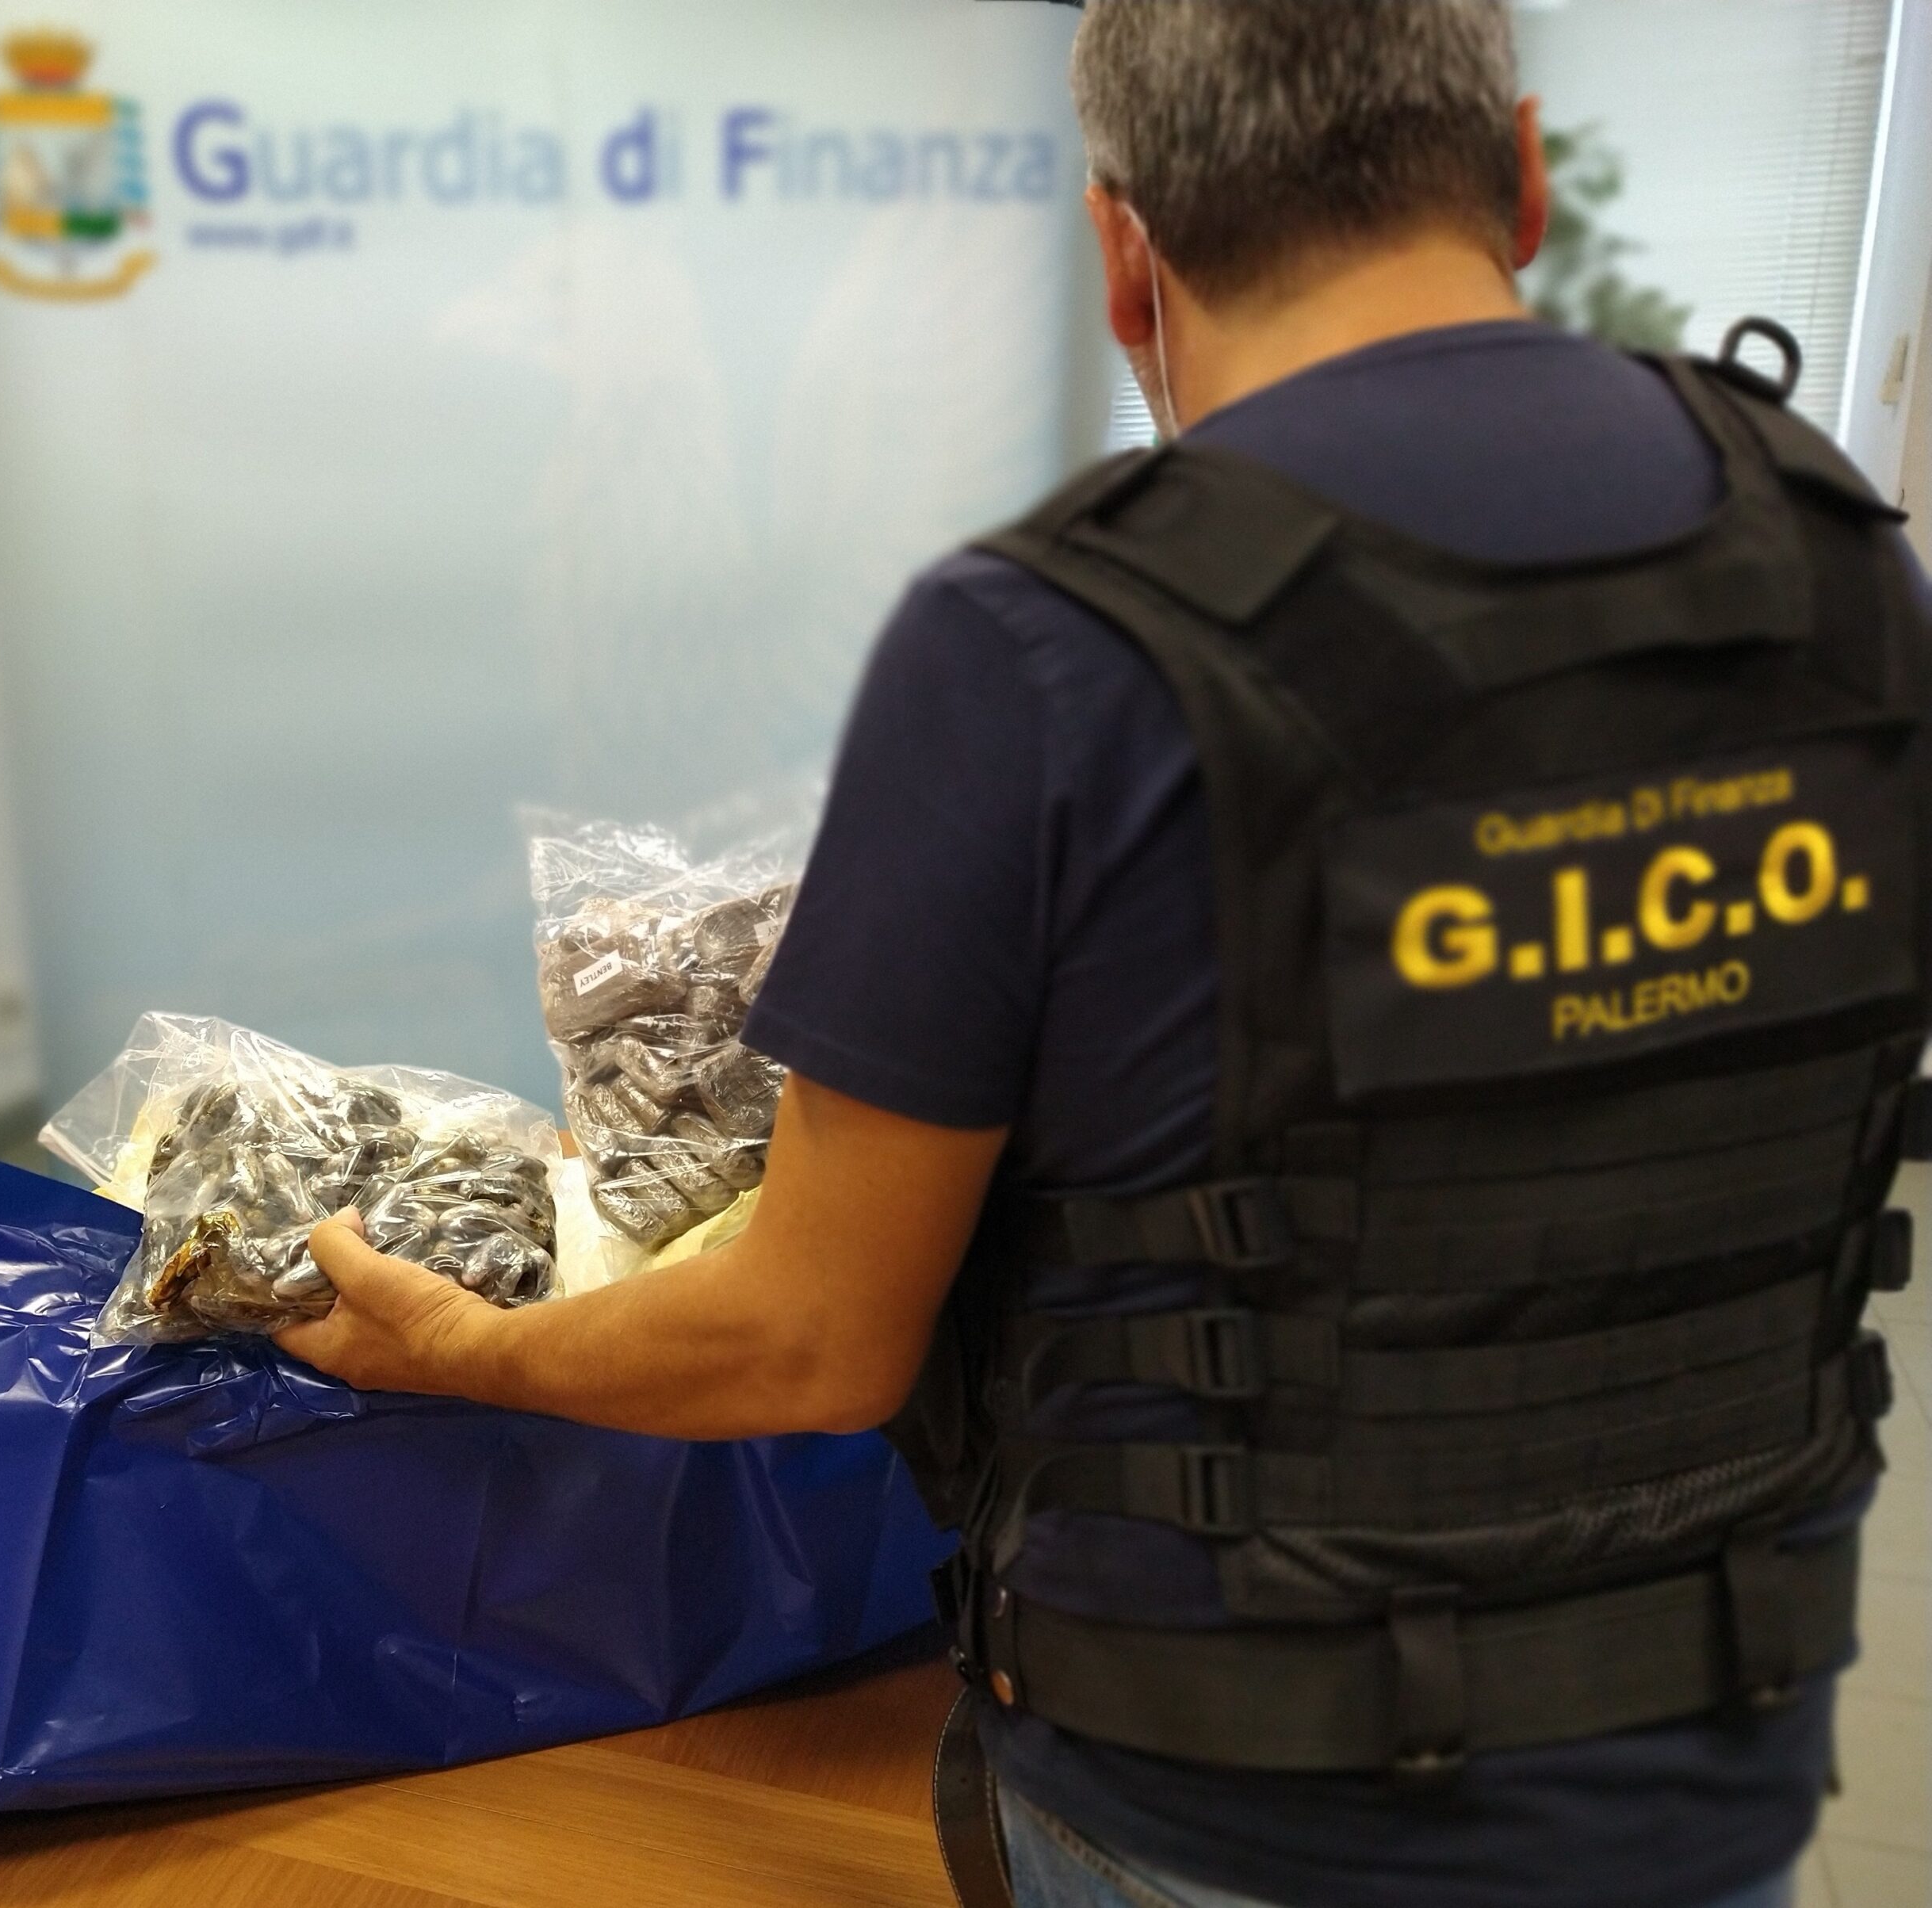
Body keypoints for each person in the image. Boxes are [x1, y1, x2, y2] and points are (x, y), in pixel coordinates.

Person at [276, 5, 1932, 1906]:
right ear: (1522, 180)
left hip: (1226, 1815)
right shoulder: (1831, 556)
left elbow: (810, 1337)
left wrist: (467, 1347)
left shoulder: (1043, 647)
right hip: (1709, 1751)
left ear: (1121, 253)